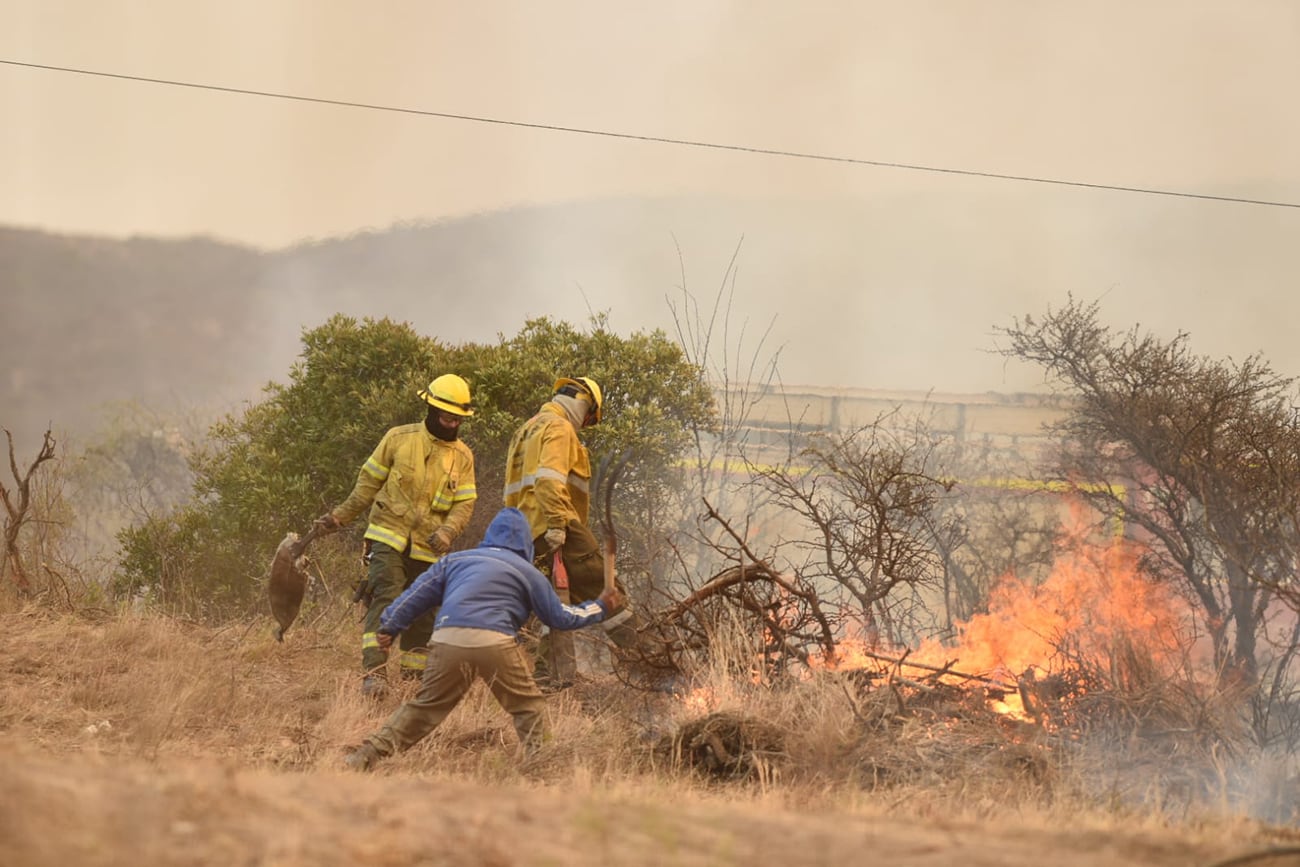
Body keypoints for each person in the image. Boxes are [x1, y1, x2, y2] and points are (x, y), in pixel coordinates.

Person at [343, 506, 625, 770]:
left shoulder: (455, 560)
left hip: (448, 638)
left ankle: (367, 755)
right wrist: (600, 606)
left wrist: (389, 627)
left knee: (426, 707)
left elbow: (416, 595)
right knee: (529, 707)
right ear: (525, 543)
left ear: (489, 535)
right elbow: (562, 617)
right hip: (495, 641)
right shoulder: (528, 572)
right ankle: (542, 765)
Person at [317, 374, 477, 698]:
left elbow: (465, 503)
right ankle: (374, 674)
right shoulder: (398, 438)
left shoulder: (463, 457)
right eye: (446, 415)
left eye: (457, 417)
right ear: (430, 407)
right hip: (387, 536)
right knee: (387, 598)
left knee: (424, 611)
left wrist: (448, 531)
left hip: (429, 548)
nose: (452, 422)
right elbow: (367, 486)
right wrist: (338, 517)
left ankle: (412, 680)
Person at [502, 375, 640, 688]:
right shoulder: (559, 427)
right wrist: (556, 525)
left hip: (524, 533)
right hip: (559, 526)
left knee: (556, 601)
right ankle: (649, 660)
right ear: (583, 404)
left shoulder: (525, 429)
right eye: (590, 417)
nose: (585, 424)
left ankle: (553, 675)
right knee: (607, 589)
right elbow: (549, 480)